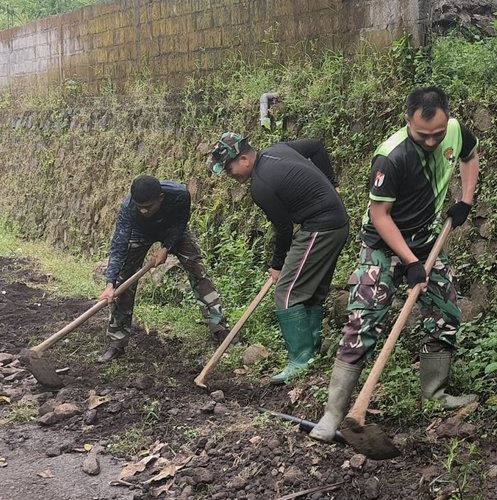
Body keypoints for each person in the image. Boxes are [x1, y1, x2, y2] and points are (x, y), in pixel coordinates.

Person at [309, 87, 481, 442]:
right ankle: (333, 414)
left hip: (426, 240)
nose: (431, 141)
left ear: (447, 120)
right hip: (382, 246)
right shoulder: (391, 157)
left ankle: (434, 393)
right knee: (363, 321)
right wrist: (411, 262)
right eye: (422, 135)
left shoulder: (455, 131)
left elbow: (470, 155)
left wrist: (465, 200)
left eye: (437, 134)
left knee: (446, 311)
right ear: (407, 122)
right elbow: (380, 216)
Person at [211, 131, 350, 383]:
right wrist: (333, 185)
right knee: (312, 291)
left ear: (244, 159)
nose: (231, 176)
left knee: (286, 293)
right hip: (336, 222)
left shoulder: (260, 185)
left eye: (230, 169)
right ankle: (312, 352)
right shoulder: (278, 150)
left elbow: (284, 228)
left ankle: (300, 361)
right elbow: (316, 146)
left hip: (320, 227)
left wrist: (277, 266)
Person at [96, 175, 227, 363]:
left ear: (161, 197)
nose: (143, 211)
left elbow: (180, 224)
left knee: (198, 271)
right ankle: (117, 343)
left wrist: (166, 247)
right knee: (123, 281)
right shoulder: (129, 208)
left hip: (172, 229)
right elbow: (119, 245)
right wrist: (110, 284)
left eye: (148, 207)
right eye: (140, 207)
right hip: (140, 232)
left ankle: (219, 327)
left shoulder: (180, 195)